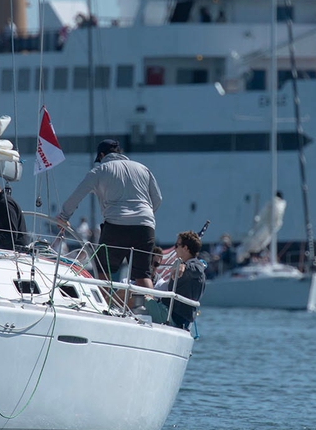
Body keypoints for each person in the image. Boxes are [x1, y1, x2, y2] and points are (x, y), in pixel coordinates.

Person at [56, 139, 162, 290]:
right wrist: (144, 217)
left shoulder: (99, 171)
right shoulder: (143, 169)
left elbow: (75, 197)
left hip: (116, 226)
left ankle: (107, 306)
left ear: (101, 155)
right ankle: (151, 307)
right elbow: (158, 199)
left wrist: (63, 217)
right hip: (145, 225)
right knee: (143, 274)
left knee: (102, 270)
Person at [160, 230, 206, 330]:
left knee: (138, 298)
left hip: (174, 317)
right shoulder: (188, 264)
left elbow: (198, 270)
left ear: (185, 248)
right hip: (173, 314)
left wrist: (184, 266)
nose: (175, 249)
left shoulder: (195, 265)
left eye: (177, 245)